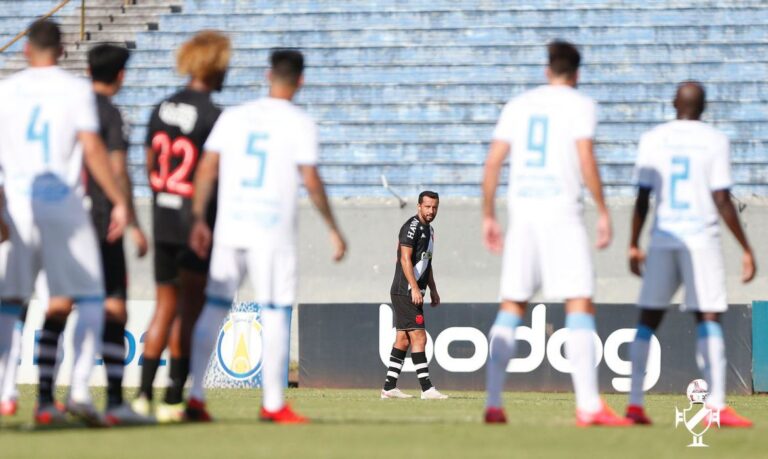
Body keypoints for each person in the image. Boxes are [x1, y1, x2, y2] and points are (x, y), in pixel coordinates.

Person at [186, 48, 346, 423]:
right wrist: (333, 228)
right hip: (271, 230)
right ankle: (273, 403)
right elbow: (310, 179)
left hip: (230, 226)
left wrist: (198, 218)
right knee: (274, 311)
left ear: (266, 75)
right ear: (301, 81)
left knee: (213, 307)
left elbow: (207, 168)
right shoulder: (299, 122)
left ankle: (194, 394)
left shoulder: (234, 116)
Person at [481, 40, 629, 426]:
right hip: (562, 212)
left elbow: (493, 163)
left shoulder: (519, 105)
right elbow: (585, 159)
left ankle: (494, 403)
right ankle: (589, 405)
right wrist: (603, 210)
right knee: (578, 301)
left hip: (523, 212)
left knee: (512, 304)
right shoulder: (581, 105)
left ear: (547, 69)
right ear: (577, 73)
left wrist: (488, 216)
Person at [0, 19, 128, 426]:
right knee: (90, 295)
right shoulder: (75, 90)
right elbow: (91, 148)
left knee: (10, 302)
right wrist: (120, 200)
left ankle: (5, 393)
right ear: (63, 48)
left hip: (18, 207)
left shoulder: (6, 91)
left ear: (26, 50)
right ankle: (76, 391)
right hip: (65, 209)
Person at [624, 81, 755, 427]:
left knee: (648, 318)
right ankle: (716, 405)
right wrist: (746, 248)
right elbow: (722, 199)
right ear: (704, 107)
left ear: (672, 104)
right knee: (708, 317)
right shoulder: (715, 141)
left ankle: (635, 403)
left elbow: (642, 197)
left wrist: (633, 242)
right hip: (701, 239)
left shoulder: (653, 138)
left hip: (665, 235)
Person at [132, 30, 230, 423]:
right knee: (189, 311)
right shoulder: (213, 115)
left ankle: (140, 395)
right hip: (194, 222)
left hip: (162, 214)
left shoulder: (160, 107)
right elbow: (212, 172)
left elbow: (150, 164)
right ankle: (173, 399)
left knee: (163, 307)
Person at [380, 191, 447, 400]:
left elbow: (427, 263)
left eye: (434, 207)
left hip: (412, 291)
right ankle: (427, 389)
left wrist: (433, 289)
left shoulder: (430, 229)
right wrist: (415, 288)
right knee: (419, 336)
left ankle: (389, 387)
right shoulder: (411, 227)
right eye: (427, 207)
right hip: (405, 291)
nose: (431, 211)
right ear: (419, 206)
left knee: (402, 339)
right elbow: (405, 260)